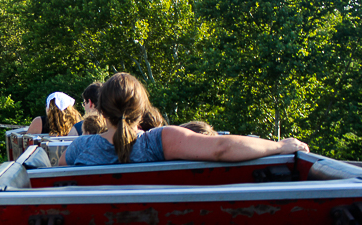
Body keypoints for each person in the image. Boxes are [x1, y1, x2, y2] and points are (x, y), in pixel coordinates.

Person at [59, 73, 308, 166]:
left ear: (101, 112)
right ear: (143, 111)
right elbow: (222, 148)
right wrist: (280, 146)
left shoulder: (80, 148)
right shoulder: (160, 140)